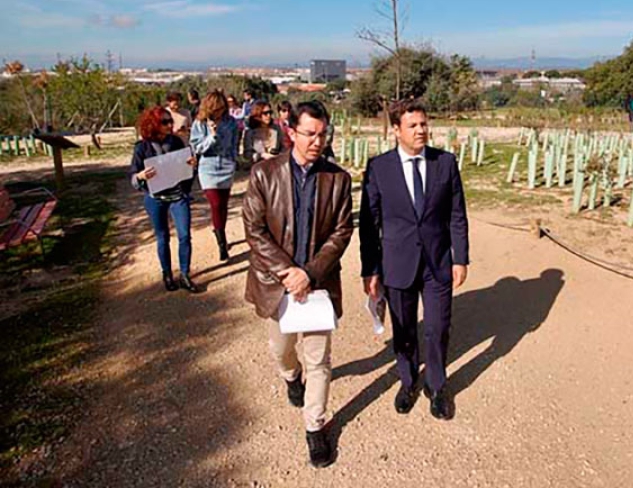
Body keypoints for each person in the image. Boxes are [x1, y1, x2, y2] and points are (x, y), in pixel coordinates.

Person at [242, 100, 353, 468]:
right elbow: (254, 230)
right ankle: (291, 377)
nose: (317, 141)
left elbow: (341, 231)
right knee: (282, 351)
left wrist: (311, 272)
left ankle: (314, 426)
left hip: (318, 285)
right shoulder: (263, 174)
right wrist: (288, 273)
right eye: (310, 133)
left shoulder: (338, 179)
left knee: (319, 360)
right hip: (278, 285)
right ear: (291, 132)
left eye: (323, 134)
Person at [359, 99, 470, 421]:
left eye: (424, 123)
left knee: (437, 328)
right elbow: (370, 224)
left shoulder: (445, 163)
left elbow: (456, 215)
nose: (421, 130)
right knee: (404, 328)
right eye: (413, 125)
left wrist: (460, 257)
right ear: (396, 130)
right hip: (397, 263)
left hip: (438, 264)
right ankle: (407, 381)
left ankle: (436, 386)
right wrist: (371, 269)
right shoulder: (379, 168)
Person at [129, 106, 199, 293]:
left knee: (184, 235)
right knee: (163, 237)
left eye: (171, 121)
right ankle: (167, 274)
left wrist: (192, 166)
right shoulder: (142, 148)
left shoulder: (176, 142)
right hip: (155, 198)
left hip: (178, 196)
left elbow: (187, 170)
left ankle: (185, 274)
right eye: (165, 122)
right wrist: (141, 176)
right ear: (153, 124)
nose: (170, 125)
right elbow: (133, 178)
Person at [190, 91, 240, 262]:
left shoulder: (231, 122)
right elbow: (196, 148)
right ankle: (221, 244)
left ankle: (220, 230)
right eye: (217, 108)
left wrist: (234, 159)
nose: (219, 112)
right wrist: (211, 137)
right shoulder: (200, 123)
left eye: (222, 108)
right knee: (216, 204)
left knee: (224, 205)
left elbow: (234, 143)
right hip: (208, 167)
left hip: (226, 165)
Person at [242, 100, 284, 164]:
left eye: (270, 112)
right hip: (258, 167)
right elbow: (247, 154)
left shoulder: (276, 129)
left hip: (275, 166)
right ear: (258, 114)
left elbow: (283, 148)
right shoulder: (250, 132)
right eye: (265, 113)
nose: (269, 115)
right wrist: (261, 155)